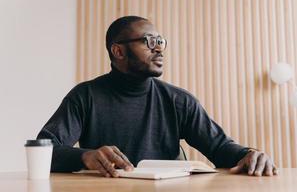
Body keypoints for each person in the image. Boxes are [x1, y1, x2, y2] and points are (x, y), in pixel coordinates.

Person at [37, 16, 278, 178]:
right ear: (118, 51)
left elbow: (219, 147)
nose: (159, 48)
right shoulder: (85, 95)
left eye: (160, 41)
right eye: (149, 41)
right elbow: (45, 150)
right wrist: (86, 156)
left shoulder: (179, 101)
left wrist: (249, 154)